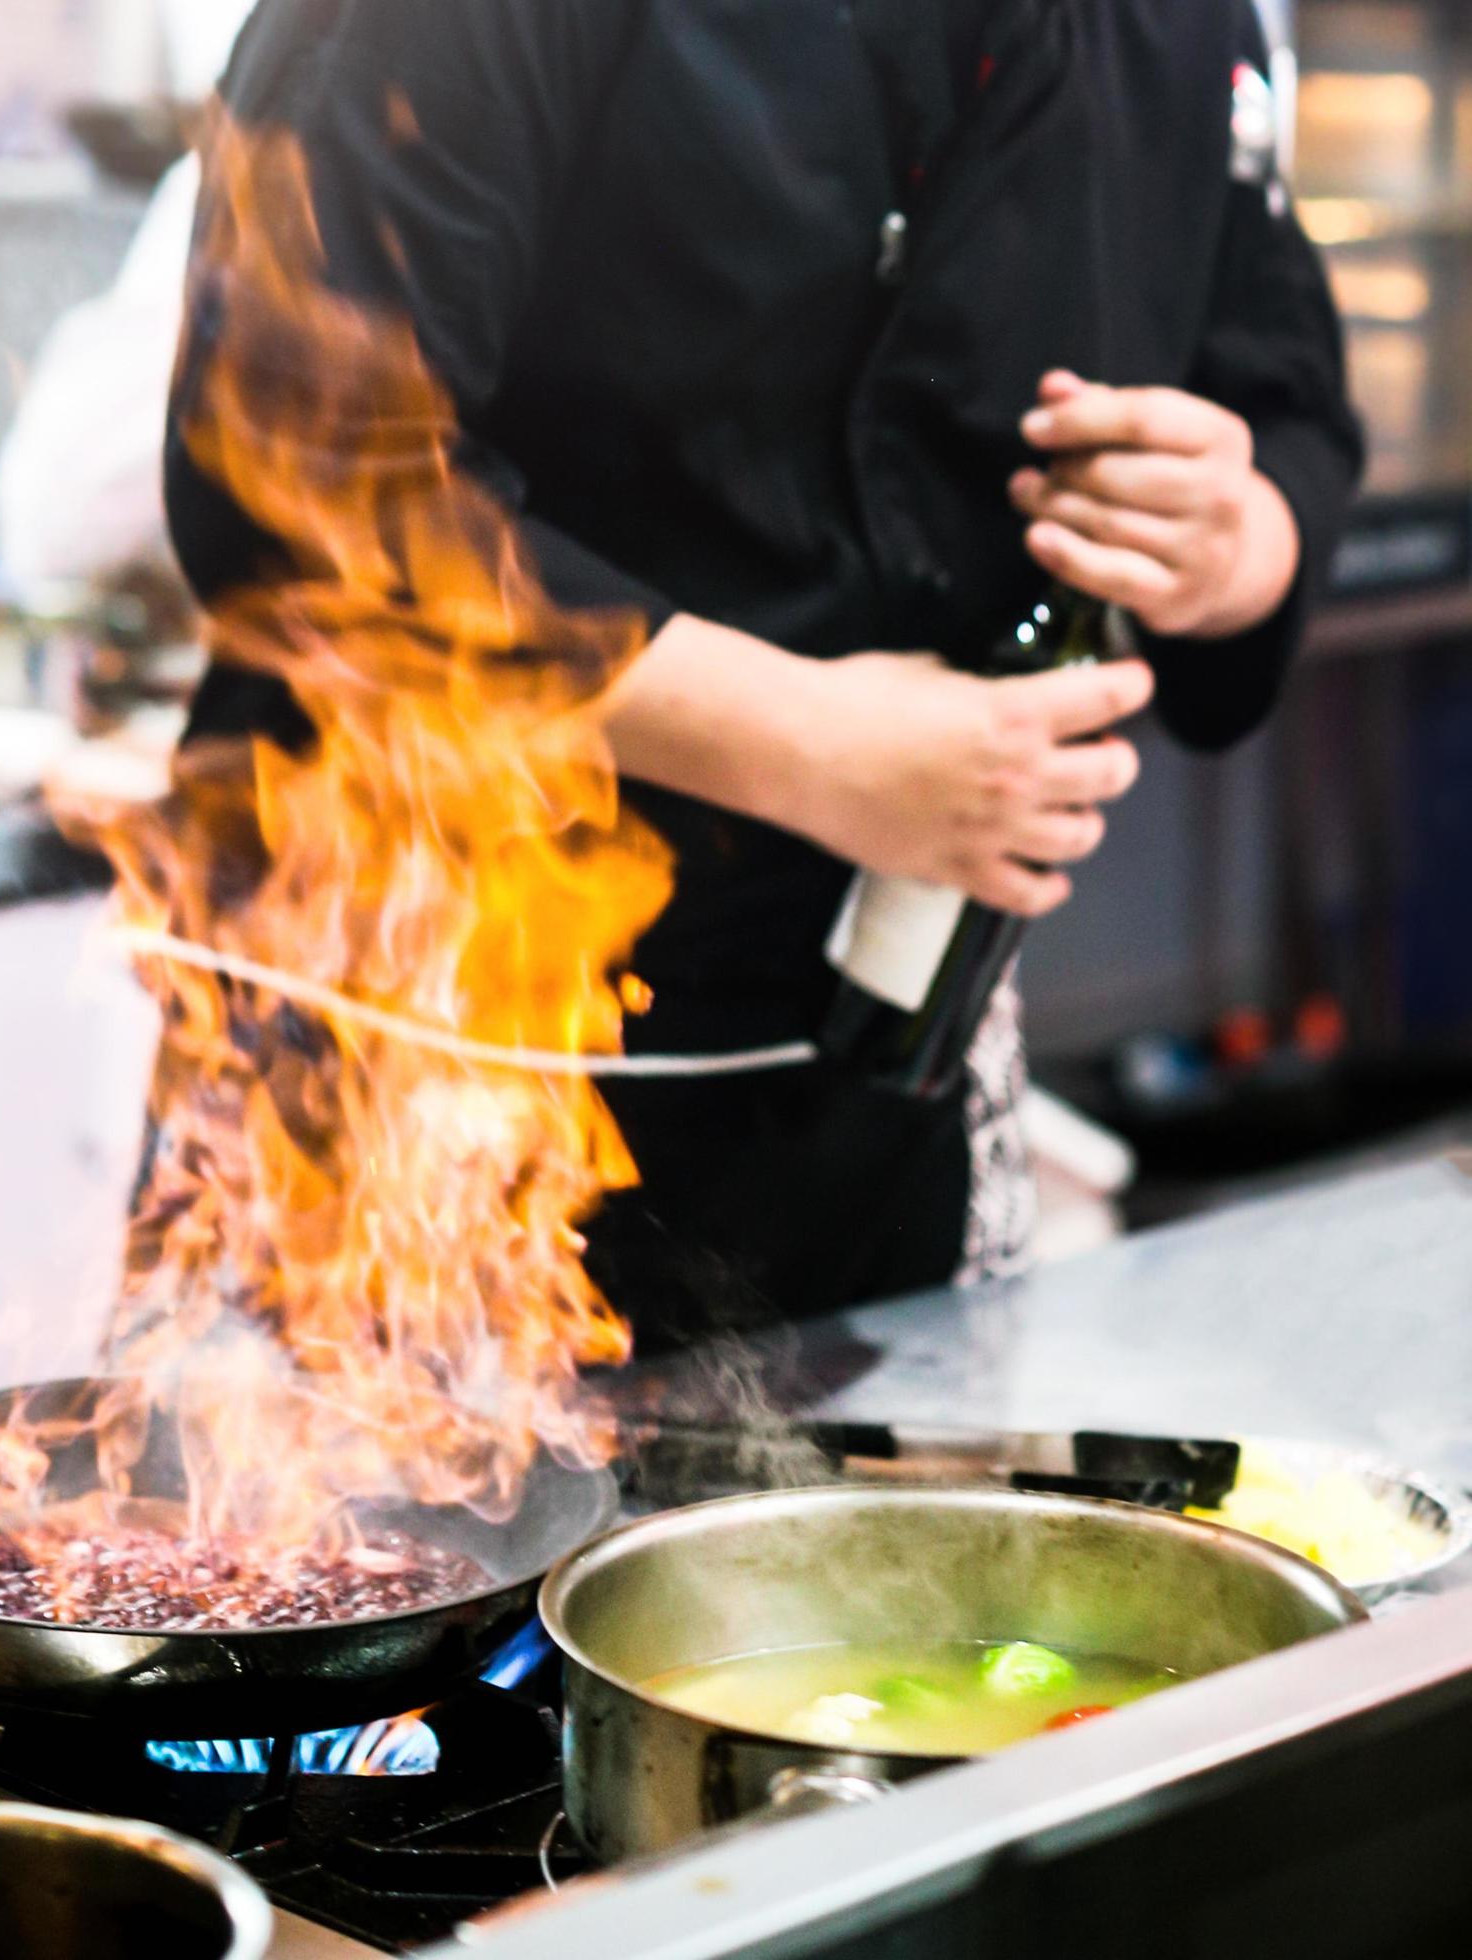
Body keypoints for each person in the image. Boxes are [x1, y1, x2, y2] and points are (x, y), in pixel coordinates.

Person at [161, 0, 1365, 1336]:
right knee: (353, 1545)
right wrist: (809, 746)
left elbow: (1286, 404)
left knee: (875, 1540)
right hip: (417, 1054)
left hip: (892, 1088)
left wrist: (1235, 536)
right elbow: (293, 474)